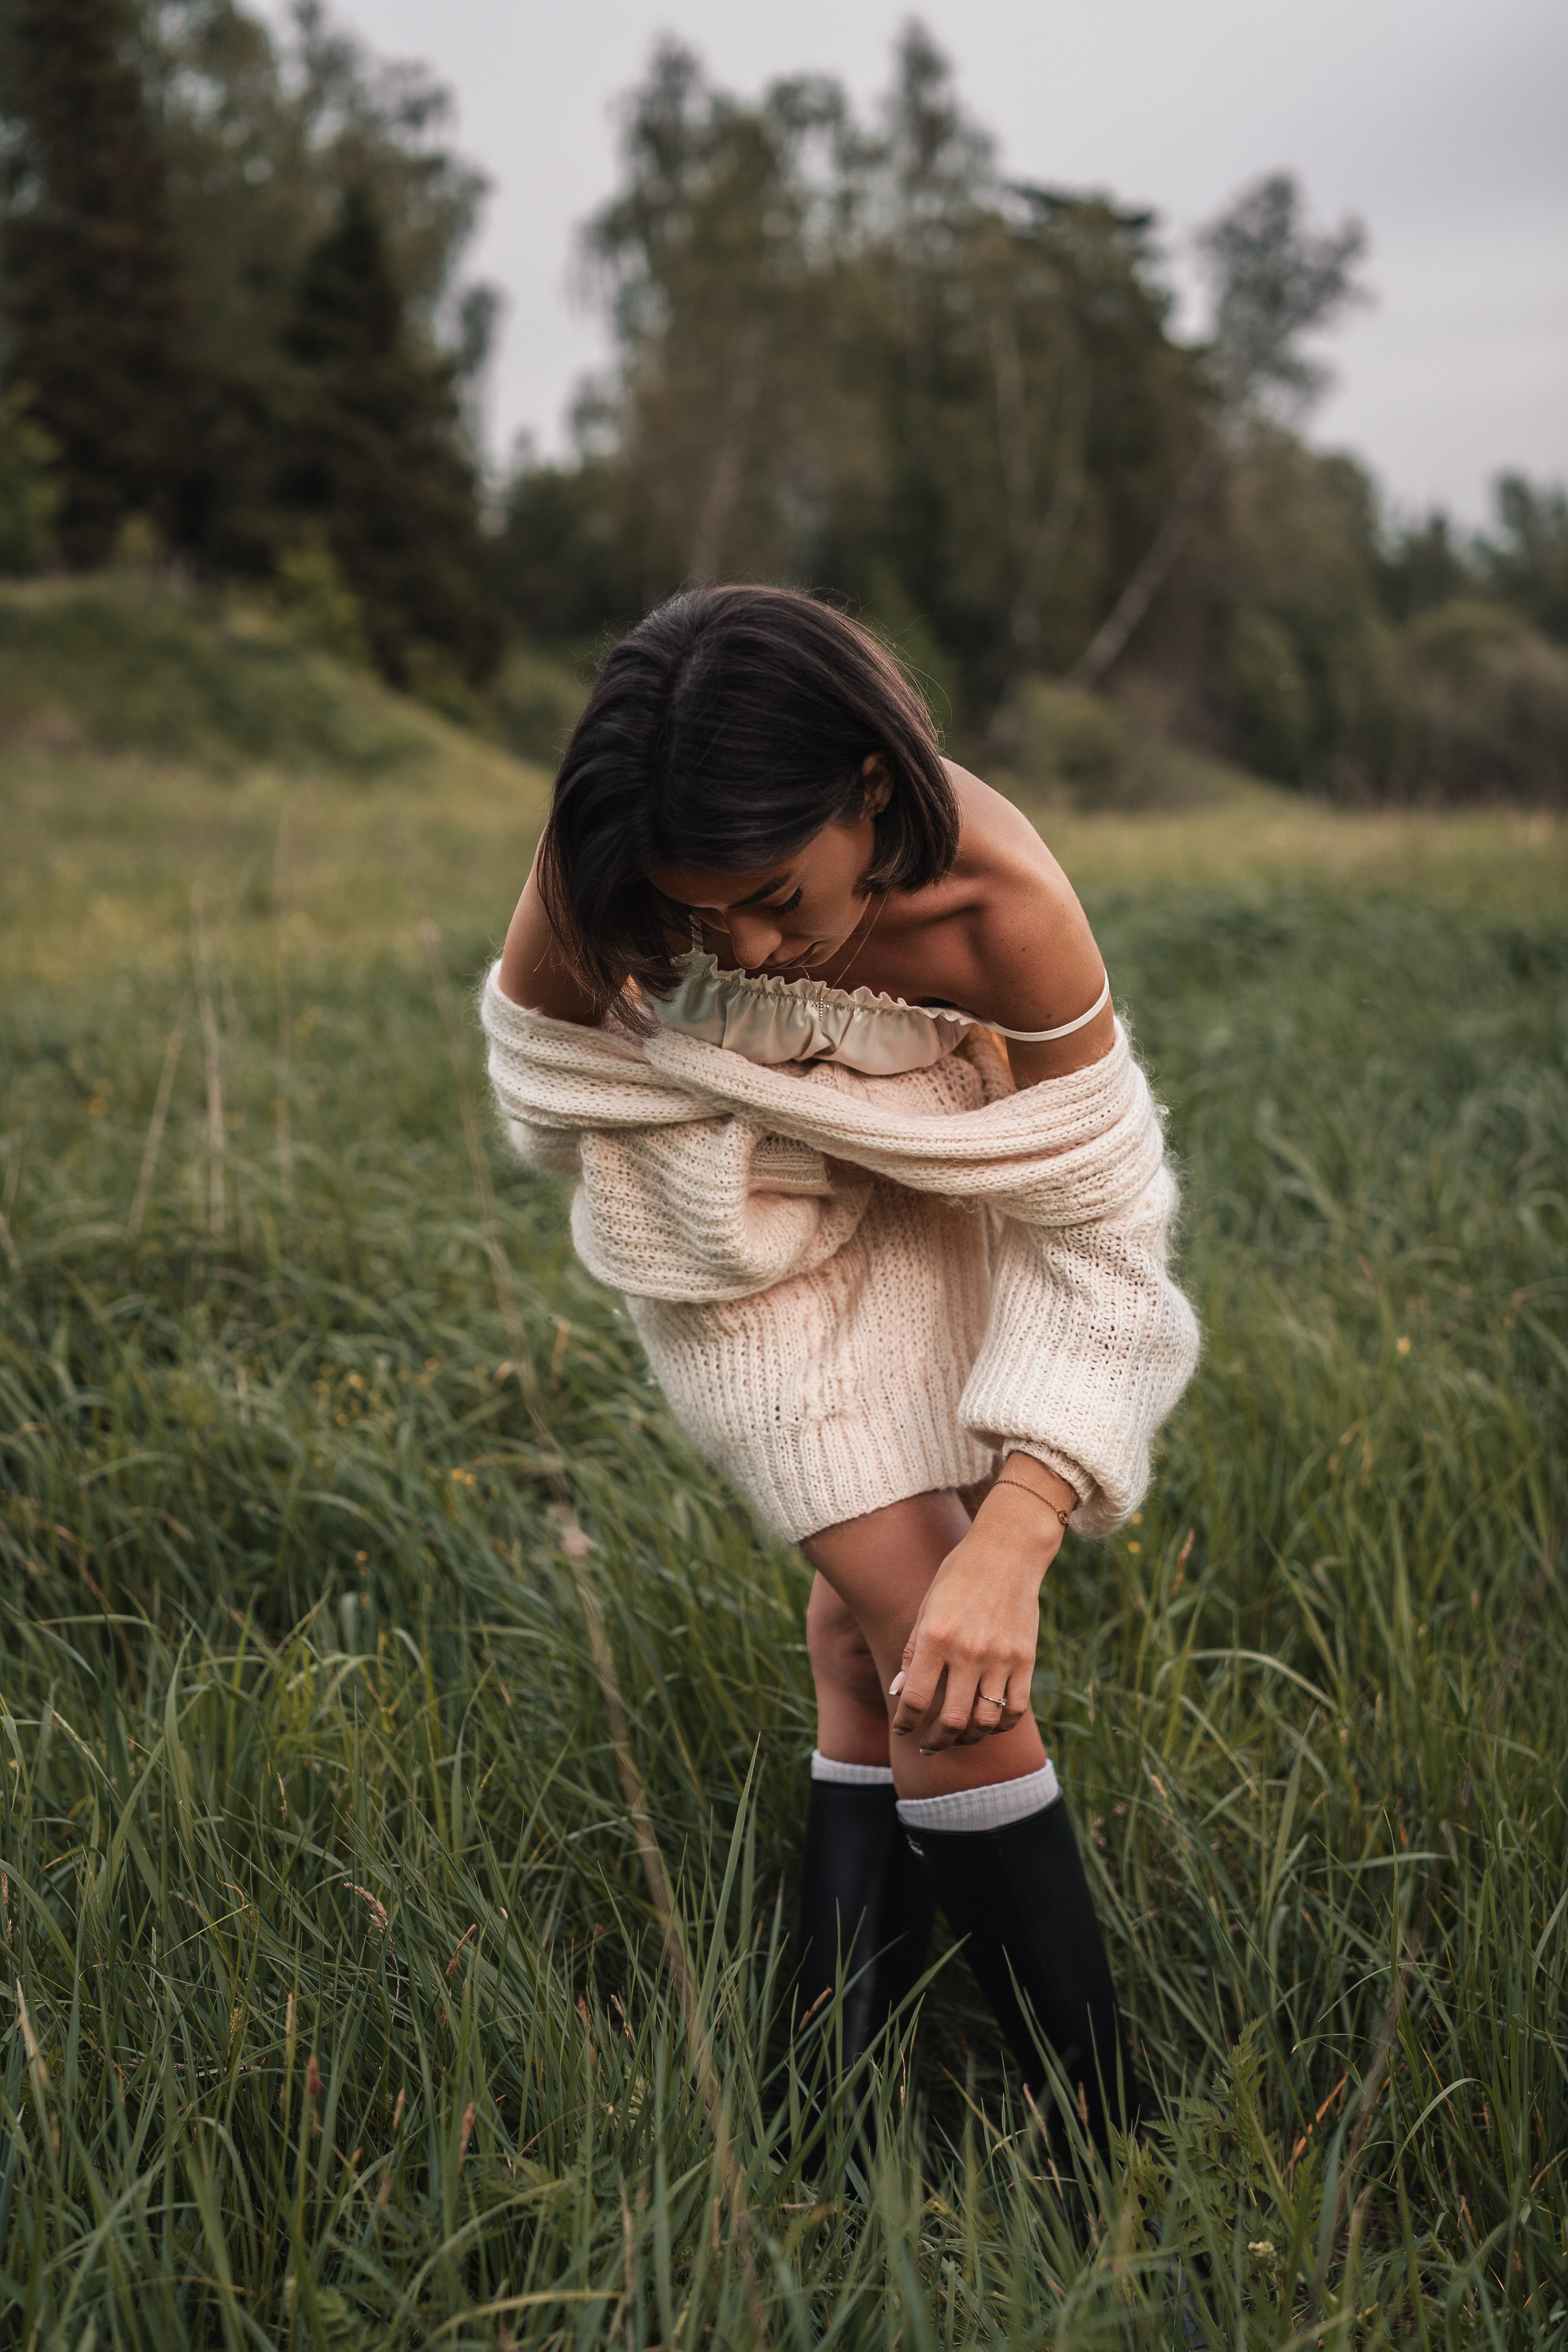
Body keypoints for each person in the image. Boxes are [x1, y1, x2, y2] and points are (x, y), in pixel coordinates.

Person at [483, 584, 1199, 2152]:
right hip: (723, 1238)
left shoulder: (995, 908)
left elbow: (1100, 1232)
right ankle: (1106, 2142)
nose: (732, 941)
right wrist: (743, 1117)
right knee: (944, 1655)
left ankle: (822, 2073)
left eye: (767, 893)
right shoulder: (607, 860)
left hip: (941, 1198)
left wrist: (1026, 1520)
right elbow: (544, 1083)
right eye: (693, 917)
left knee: (884, 1632)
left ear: (868, 787)